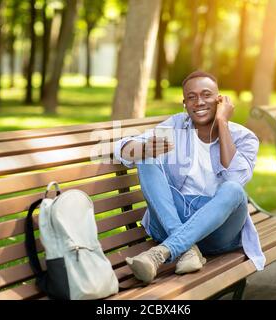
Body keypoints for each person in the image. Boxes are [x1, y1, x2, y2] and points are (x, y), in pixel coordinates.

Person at [113, 70, 266, 284]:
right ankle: (186, 249)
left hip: (219, 232)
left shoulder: (244, 137)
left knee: (233, 190)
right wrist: (140, 147)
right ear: (185, 103)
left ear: (220, 99)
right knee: (146, 155)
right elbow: (120, 147)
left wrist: (222, 122)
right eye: (192, 97)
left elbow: (235, 179)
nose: (199, 102)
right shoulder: (176, 126)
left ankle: (164, 251)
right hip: (173, 220)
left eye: (206, 95)